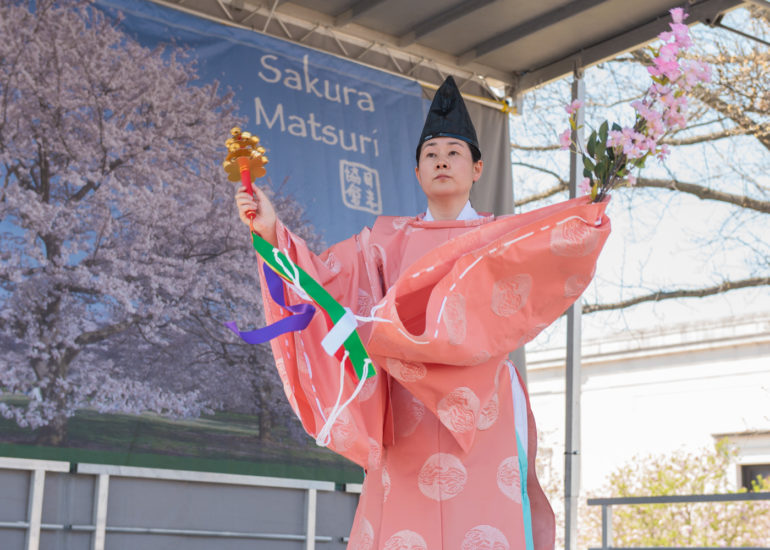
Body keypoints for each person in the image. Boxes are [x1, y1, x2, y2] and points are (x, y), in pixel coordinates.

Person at [235, 76, 610, 550]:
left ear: (477, 168)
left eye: (454, 152)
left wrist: (592, 213)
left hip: (484, 400)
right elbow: (325, 283)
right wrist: (273, 232)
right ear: (417, 173)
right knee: (404, 519)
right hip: (404, 399)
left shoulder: (505, 236)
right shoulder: (384, 240)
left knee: (485, 513)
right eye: (430, 153)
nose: (441, 161)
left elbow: (554, 256)